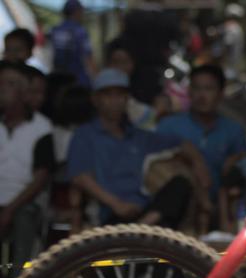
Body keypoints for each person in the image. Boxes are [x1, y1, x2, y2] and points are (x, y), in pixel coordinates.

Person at [66, 68, 212, 230]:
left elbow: (183, 144)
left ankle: (140, 228)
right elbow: (80, 177)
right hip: (109, 215)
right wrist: (117, 204)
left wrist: (199, 163)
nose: (115, 101)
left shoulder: (138, 136)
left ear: (127, 99)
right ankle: (137, 231)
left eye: (120, 95)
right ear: (96, 99)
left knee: (180, 184)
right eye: (108, 95)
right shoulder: (85, 135)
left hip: (145, 212)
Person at [157, 64, 246, 209]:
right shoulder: (168, 126)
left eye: (209, 89)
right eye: (197, 88)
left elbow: (244, 168)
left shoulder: (234, 130)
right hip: (175, 209)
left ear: (221, 93)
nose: (202, 95)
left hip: (219, 208)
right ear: (189, 91)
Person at [0, 61, 53, 278]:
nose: (2, 88)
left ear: (23, 92)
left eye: (10, 84)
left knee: (25, 217)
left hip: (24, 202)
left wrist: (9, 210)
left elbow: (41, 178)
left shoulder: (42, 127)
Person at [103, 39, 158, 130]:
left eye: (125, 62)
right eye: (115, 62)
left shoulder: (147, 91)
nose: (120, 68)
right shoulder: (100, 90)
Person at [49, 0, 94, 87]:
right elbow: (88, 59)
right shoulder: (79, 31)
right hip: (78, 80)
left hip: (58, 79)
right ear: (76, 12)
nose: (83, 14)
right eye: (81, 11)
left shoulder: (55, 30)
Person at [215, 4, 246, 79]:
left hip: (229, 67)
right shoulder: (237, 28)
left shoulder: (232, 29)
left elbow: (227, 46)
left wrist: (221, 62)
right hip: (234, 66)